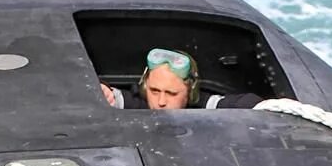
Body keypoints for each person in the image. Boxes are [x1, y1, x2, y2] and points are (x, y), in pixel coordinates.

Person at [100, 46, 263, 111]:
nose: (161, 101)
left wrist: (262, 105)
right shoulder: (132, 104)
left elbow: (237, 104)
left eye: (171, 93)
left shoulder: (202, 108)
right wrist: (101, 91)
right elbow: (110, 97)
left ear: (190, 92)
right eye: (154, 90)